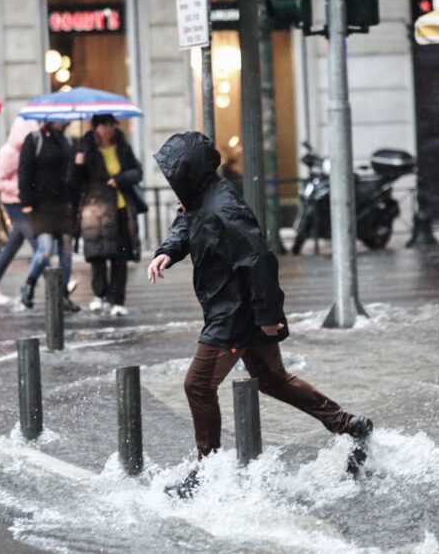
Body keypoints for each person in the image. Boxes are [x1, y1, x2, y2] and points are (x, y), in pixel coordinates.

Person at [148, 131, 373, 498]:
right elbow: (186, 224)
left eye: (173, 175)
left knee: (198, 385)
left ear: (189, 173)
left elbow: (259, 260)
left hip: (234, 314)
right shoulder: (201, 200)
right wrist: (168, 252)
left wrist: (269, 316)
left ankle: (208, 473)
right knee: (273, 379)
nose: (171, 184)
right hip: (236, 308)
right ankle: (349, 425)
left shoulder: (224, 208)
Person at [72, 114, 143, 317]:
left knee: (119, 256)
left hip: (120, 207)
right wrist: (78, 161)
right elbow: (75, 181)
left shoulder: (122, 146)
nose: (109, 129)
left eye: (112, 125)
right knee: (98, 255)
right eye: (104, 125)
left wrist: (120, 179)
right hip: (95, 210)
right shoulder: (85, 148)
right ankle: (100, 295)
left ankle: (117, 299)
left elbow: (137, 172)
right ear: (96, 127)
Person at [0, 117, 40, 305]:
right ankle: (59, 285)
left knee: (13, 245)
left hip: (22, 201)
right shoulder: (9, 153)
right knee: (38, 244)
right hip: (14, 203)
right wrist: (19, 188)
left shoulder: (25, 151)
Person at [18, 120, 79, 312]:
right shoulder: (35, 139)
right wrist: (26, 200)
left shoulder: (68, 142)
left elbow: (72, 174)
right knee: (45, 249)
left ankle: (63, 296)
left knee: (66, 253)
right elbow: (25, 170)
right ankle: (29, 284)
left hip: (63, 203)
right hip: (41, 204)